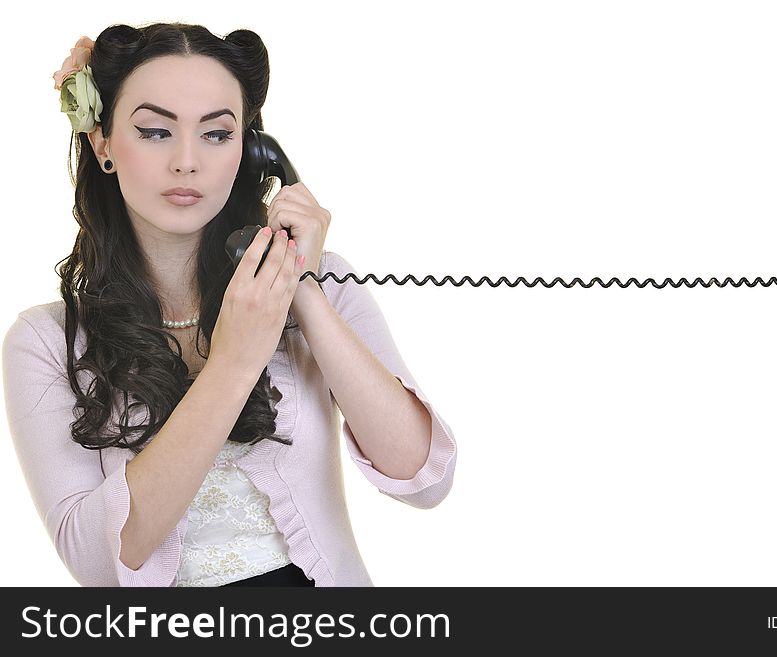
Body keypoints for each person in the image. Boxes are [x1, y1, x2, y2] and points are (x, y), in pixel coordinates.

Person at [1, 22, 457, 587]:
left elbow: (424, 477)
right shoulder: (44, 341)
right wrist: (235, 363)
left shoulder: (319, 283)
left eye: (217, 135)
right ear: (103, 145)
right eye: (153, 131)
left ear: (252, 150)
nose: (186, 162)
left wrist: (300, 284)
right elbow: (97, 566)